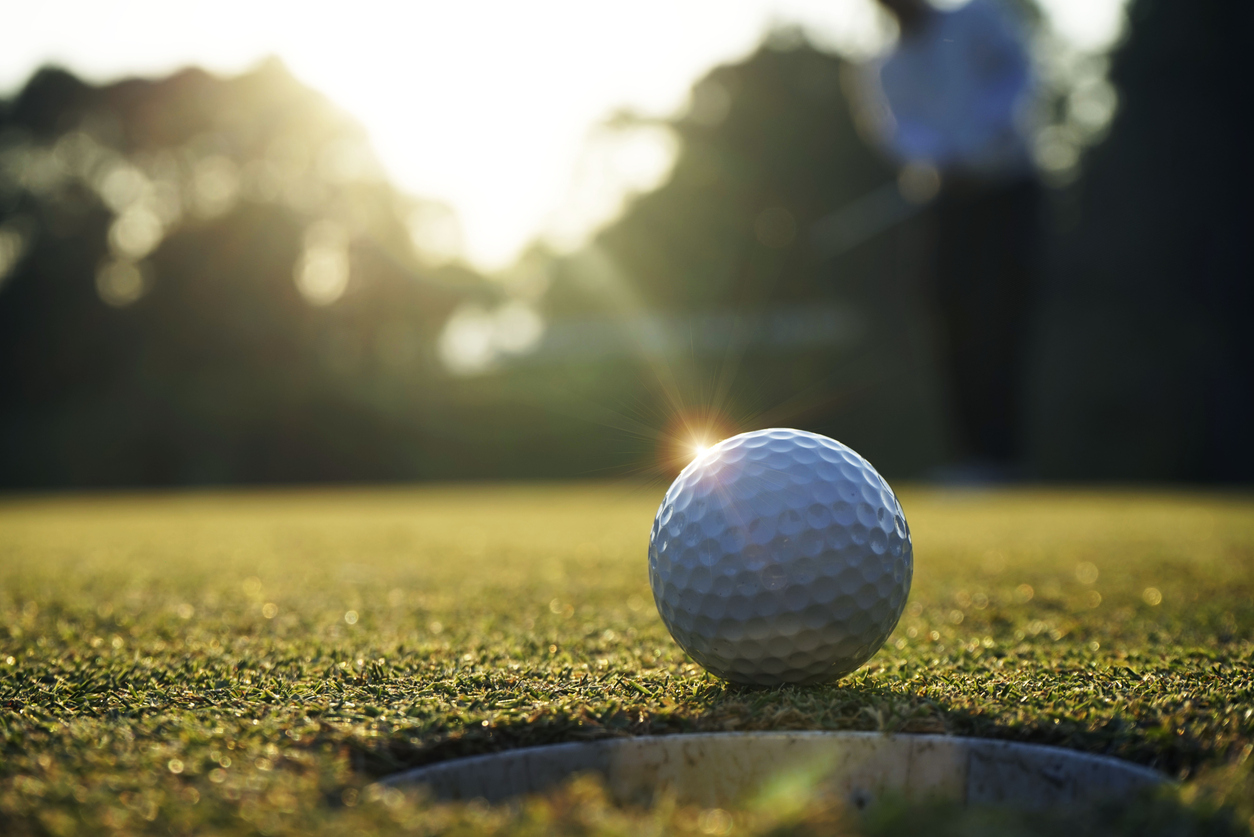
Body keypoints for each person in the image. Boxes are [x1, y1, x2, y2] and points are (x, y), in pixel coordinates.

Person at [855, 0, 1041, 476]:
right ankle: (971, 458)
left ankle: (1005, 457)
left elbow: (1016, 76)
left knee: (1001, 318)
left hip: (1009, 189)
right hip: (945, 202)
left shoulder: (978, 19)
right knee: (948, 321)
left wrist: (984, 142)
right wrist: (945, 159)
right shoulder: (882, 66)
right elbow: (897, 132)